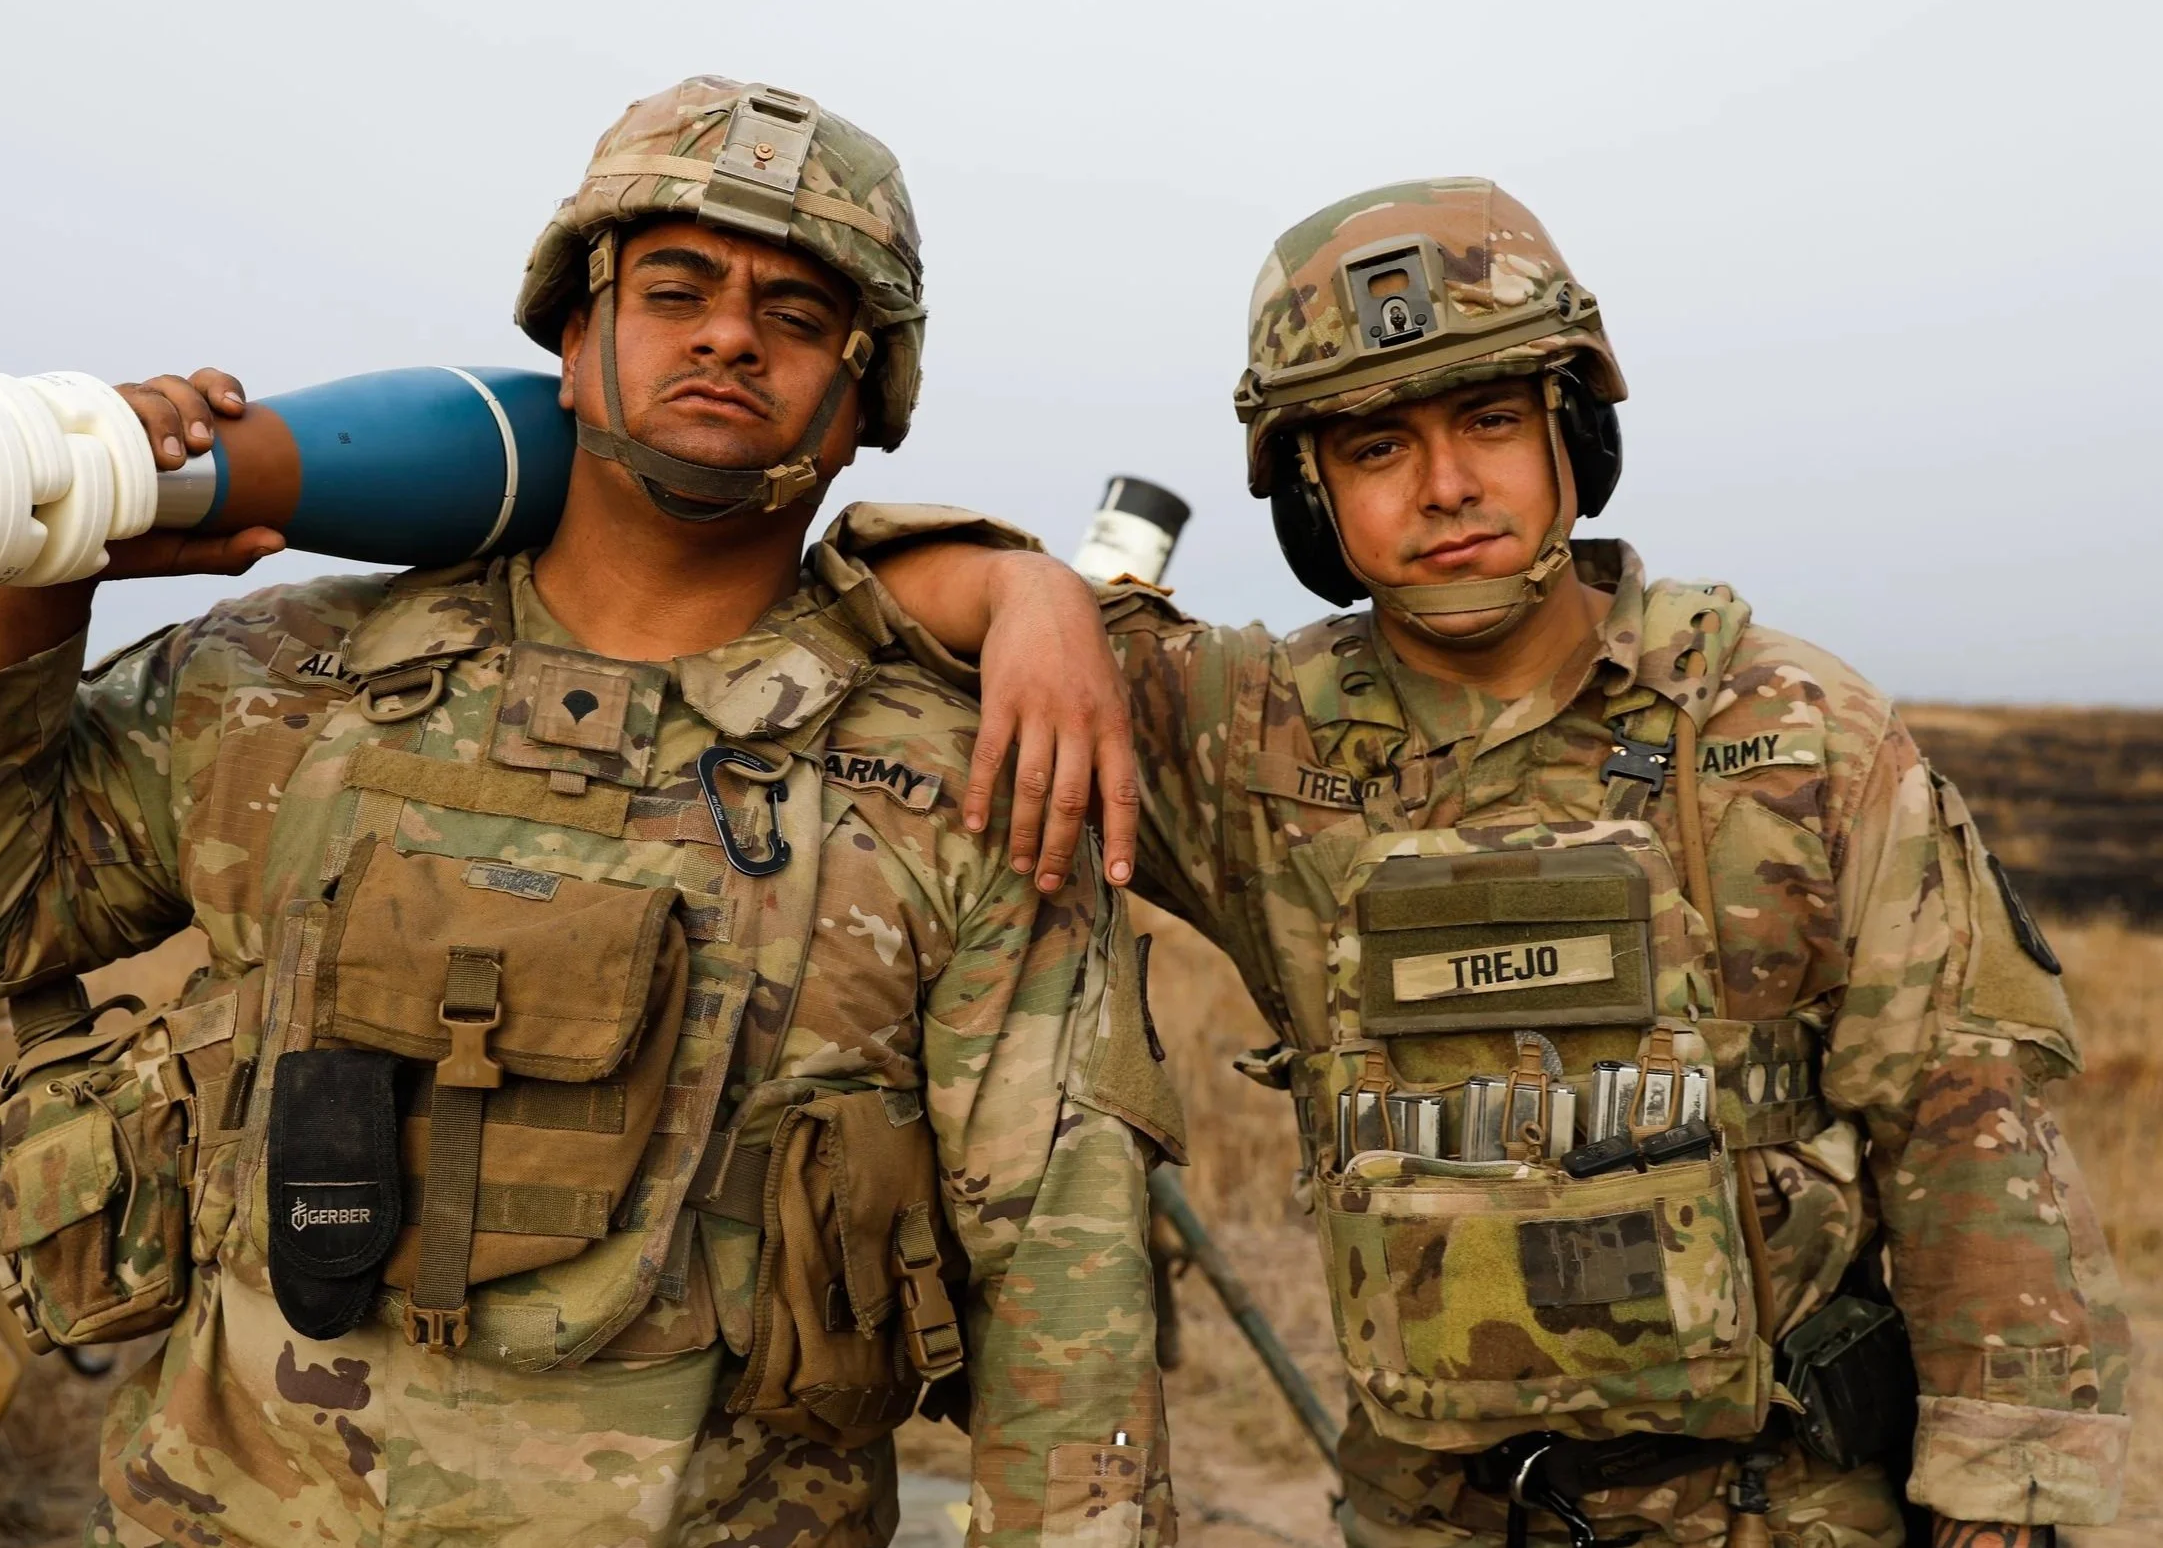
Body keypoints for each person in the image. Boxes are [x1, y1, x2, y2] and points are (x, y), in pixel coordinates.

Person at [0, 76, 1179, 1548]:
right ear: (573, 348)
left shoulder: (954, 788)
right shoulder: (285, 686)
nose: (726, 333)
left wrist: (1021, 581)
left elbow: (1062, 1289)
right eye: (674, 289)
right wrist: (41, 534)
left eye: (795, 315)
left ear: (860, 406)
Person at [847, 179, 2129, 1547]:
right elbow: (870, 598)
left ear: (1574, 431)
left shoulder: (1788, 726)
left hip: (1776, 1509)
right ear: (1309, 495)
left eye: (1490, 420)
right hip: (1435, 1518)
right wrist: (1031, 594)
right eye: (1375, 446)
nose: (1445, 484)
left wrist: (2006, 1503)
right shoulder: (1245, 738)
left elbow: (1968, 1126)